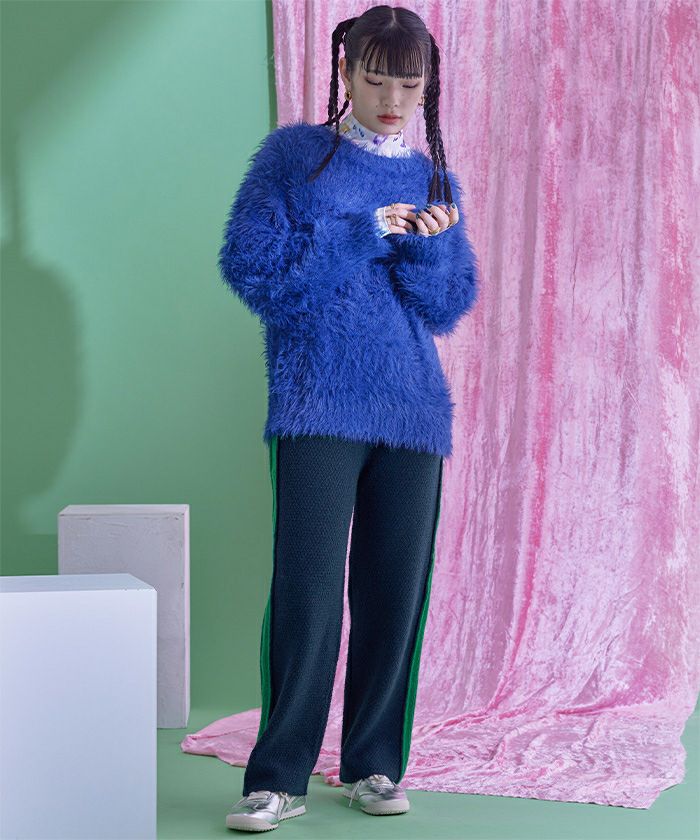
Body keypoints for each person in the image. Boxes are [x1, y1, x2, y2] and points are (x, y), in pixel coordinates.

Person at [220, 5, 480, 832]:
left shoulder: (436, 183)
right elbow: (255, 272)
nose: (393, 100)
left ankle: (373, 765)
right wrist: (363, 231)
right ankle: (277, 777)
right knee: (307, 592)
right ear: (346, 72)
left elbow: (447, 306)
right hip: (317, 402)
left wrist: (428, 243)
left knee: (393, 594)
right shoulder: (293, 158)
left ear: (426, 86)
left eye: (410, 84)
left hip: (413, 411)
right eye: (376, 79)